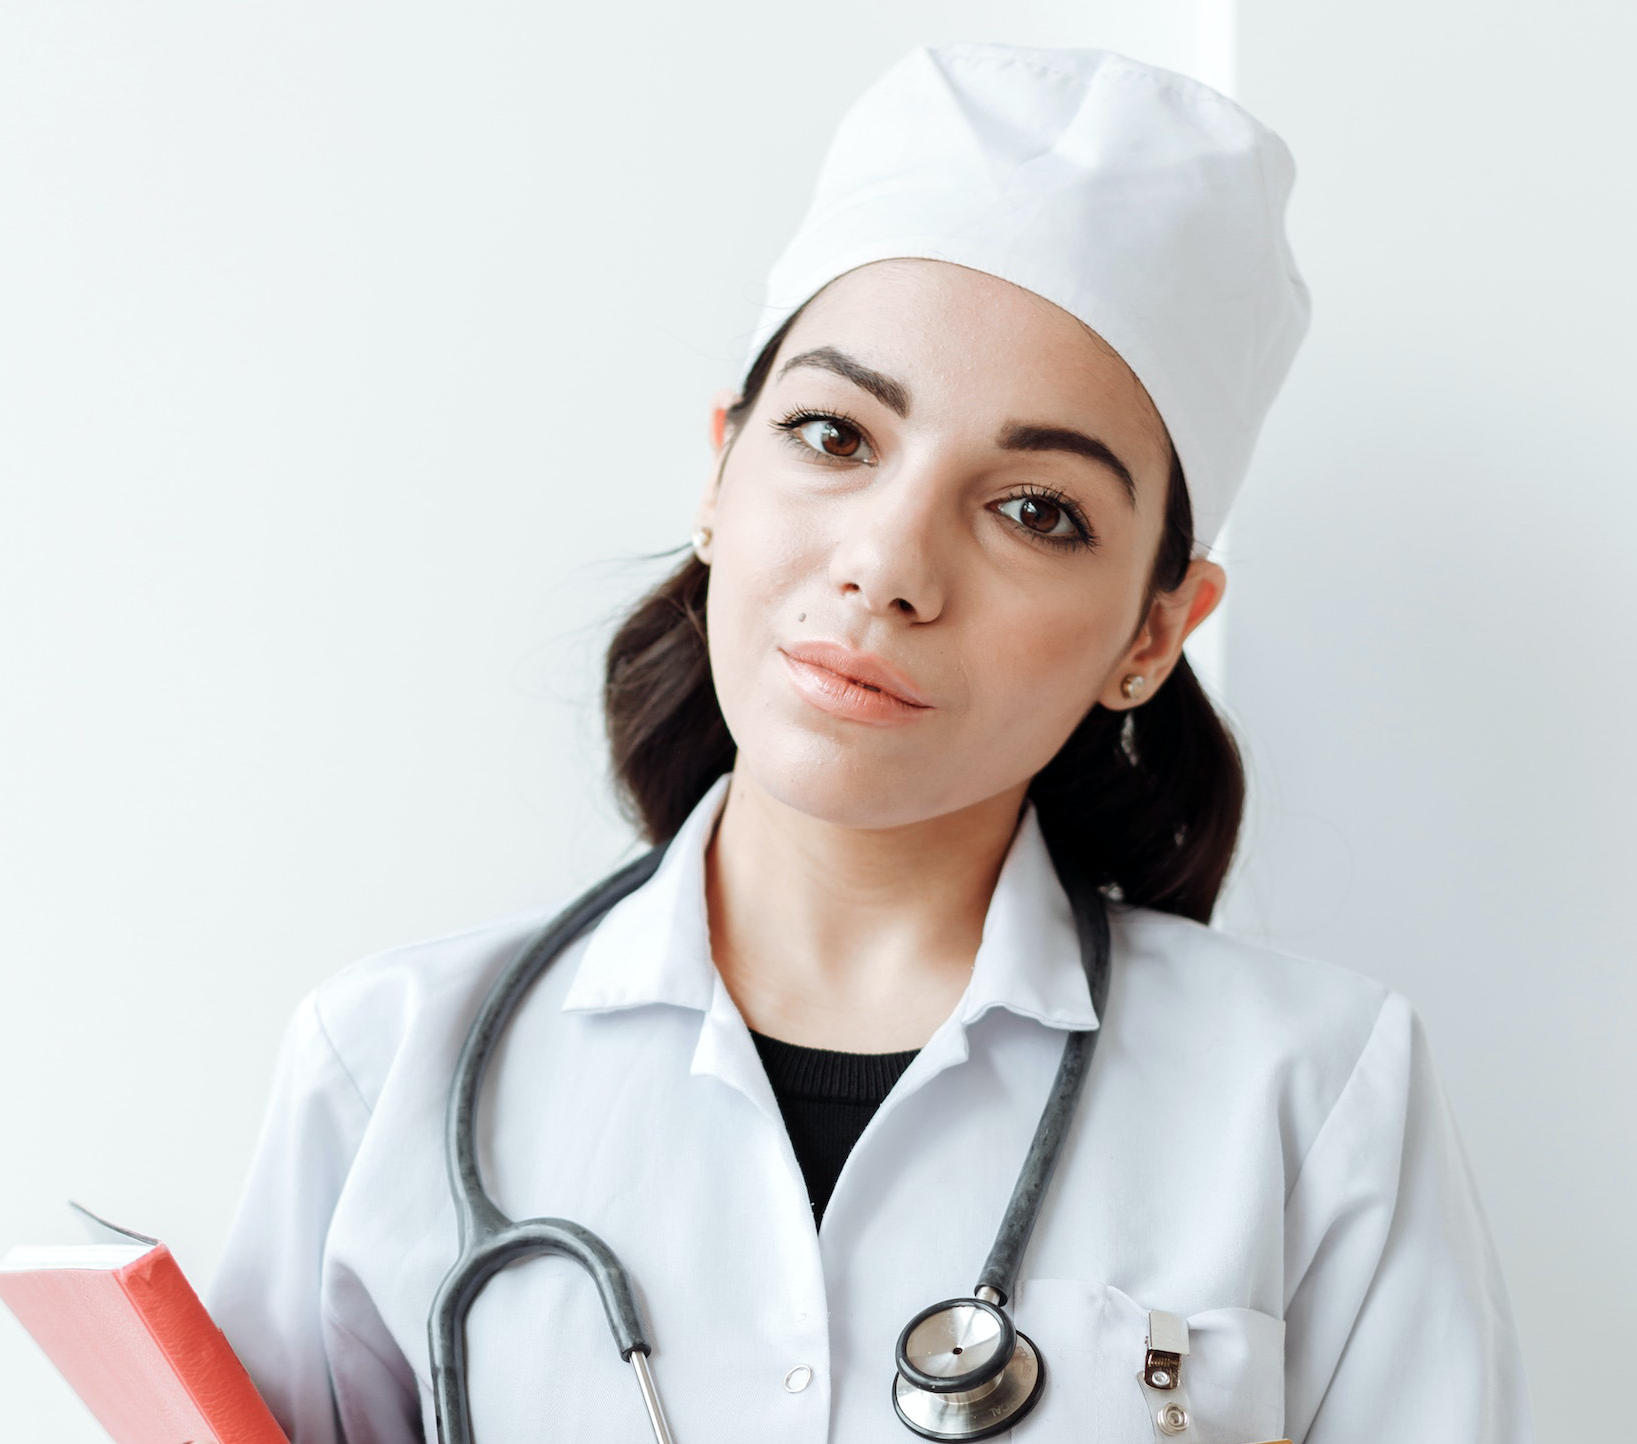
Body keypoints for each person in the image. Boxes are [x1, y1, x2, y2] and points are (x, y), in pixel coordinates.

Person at [205, 42, 1534, 1443]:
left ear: (1155, 633)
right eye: (836, 434)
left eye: (1036, 511)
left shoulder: (1316, 1098)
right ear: (720, 475)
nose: (889, 565)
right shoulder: (388, 1068)